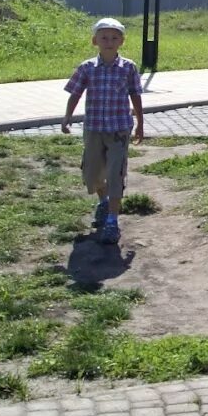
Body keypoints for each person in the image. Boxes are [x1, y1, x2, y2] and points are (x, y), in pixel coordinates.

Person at [61, 17, 145, 245]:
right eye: (104, 37)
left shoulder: (128, 68)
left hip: (119, 129)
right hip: (94, 128)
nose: (109, 42)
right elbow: (75, 93)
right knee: (92, 173)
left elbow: (135, 95)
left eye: (114, 38)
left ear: (122, 41)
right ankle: (103, 201)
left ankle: (112, 221)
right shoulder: (87, 68)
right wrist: (67, 117)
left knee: (116, 172)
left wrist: (140, 122)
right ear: (94, 41)